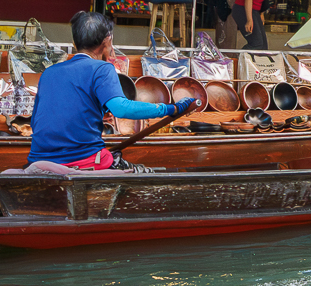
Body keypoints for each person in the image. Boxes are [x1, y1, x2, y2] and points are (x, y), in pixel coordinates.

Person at [28, 11, 195, 169]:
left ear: (74, 43)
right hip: (82, 160)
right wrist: (171, 108)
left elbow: (36, 122)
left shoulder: (49, 72)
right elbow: (121, 109)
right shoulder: (102, 68)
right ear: (107, 41)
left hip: (38, 159)